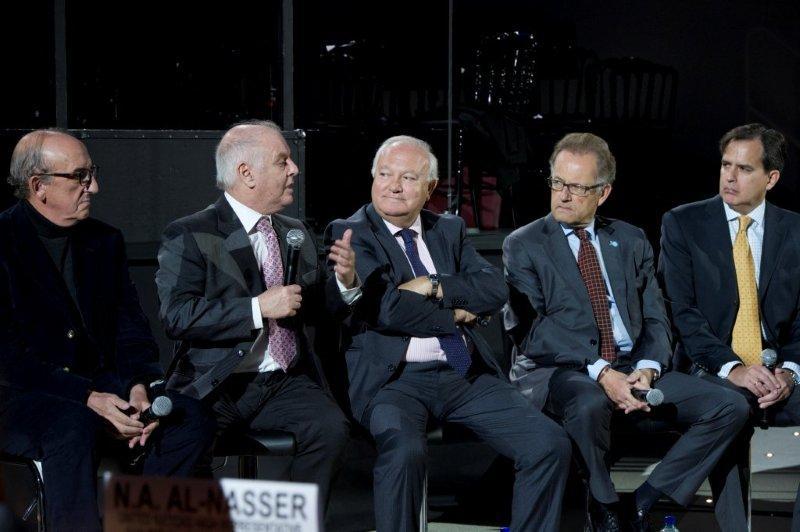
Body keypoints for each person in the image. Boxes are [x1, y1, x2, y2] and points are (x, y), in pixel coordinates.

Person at [503, 132, 750, 532]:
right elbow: (534, 331)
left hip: (632, 365)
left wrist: (649, 368)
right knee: (588, 403)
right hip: (562, 370)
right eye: (557, 183)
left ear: (603, 193)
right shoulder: (525, 244)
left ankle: (644, 500)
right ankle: (604, 507)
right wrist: (602, 371)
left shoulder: (631, 239)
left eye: (578, 187)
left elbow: (656, 317)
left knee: (729, 406)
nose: (563, 195)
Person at [325, 135, 571, 532]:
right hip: (394, 381)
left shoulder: (449, 229)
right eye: (384, 174)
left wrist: (433, 284)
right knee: (404, 452)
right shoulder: (353, 232)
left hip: (461, 371)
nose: (393, 186)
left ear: (430, 188)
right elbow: (385, 308)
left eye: (407, 177)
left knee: (548, 443)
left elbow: (494, 290)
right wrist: (454, 313)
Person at [0, 129, 203, 531]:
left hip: (103, 389)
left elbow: (131, 331)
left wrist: (139, 386)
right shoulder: (3, 242)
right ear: (38, 186)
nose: (94, 185)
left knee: (188, 418)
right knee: (71, 428)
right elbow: (9, 361)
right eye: (80, 176)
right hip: (23, 397)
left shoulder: (105, 241)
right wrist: (88, 398)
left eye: (92, 172)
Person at [155, 120, 355, 520]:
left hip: (282, 382)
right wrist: (256, 308)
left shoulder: (295, 232)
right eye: (283, 161)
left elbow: (315, 309)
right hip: (219, 382)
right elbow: (177, 316)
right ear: (246, 173)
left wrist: (346, 283)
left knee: (331, 429)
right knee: (184, 444)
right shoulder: (191, 233)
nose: (294, 169)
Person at [658, 123, 800, 531]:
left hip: (777, 369)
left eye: (744, 169)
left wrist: (788, 373)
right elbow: (681, 313)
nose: (730, 177)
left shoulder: (794, 231)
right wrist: (733, 367)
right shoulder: (683, 223)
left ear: (771, 178)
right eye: (725, 165)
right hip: (710, 365)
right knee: (733, 406)